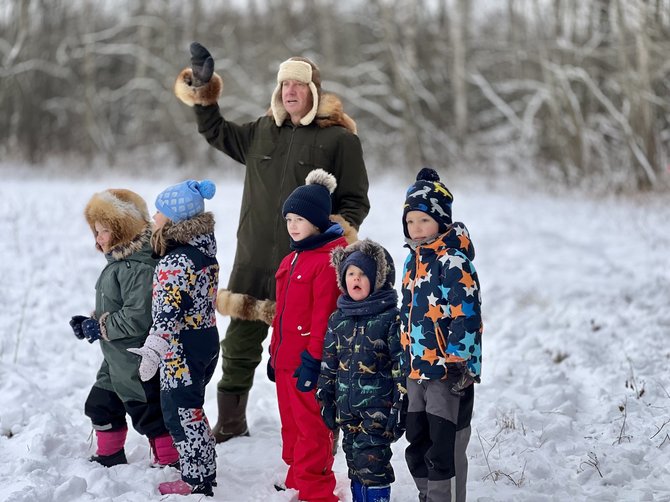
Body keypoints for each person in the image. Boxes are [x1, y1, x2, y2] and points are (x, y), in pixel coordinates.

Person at [173, 43, 370, 442]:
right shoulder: (263, 132)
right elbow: (215, 131)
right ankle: (230, 421)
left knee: (309, 350)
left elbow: (354, 200)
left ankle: (316, 430)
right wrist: (204, 87)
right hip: (254, 258)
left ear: (314, 92)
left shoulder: (339, 141)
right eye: (284, 86)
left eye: (298, 85)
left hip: (307, 267)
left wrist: (330, 239)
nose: (290, 92)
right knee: (239, 346)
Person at [70, 189, 179, 468]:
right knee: (100, 405)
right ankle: (110, 455)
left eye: (104, 231)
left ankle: (169, 462)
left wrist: (101, 326)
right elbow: (117, 307)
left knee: (150, 415)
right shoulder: (121, 263)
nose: (98, 238)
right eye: (96, 231)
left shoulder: (138, 268)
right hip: (115, 358)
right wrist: (90, 323)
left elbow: (137, 317)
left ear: (123, 230)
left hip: (135, 358)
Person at [128, 180, 220, 497]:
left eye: (159, 211)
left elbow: (169, 311)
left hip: (181, 346)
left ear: (172, 219)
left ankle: (196, 480)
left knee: (181, 411)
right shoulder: (203, 251)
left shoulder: (175, 261)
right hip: (206, 338)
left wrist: (154, 350)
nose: (154, 216)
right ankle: (201, 468)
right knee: (191, 408)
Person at [399, 168, 483, 502]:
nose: (416, 228)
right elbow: (406, 314)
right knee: (417, 441)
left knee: (443, 447)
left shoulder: (454, 263)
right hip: (416, 369)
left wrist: (459, 360)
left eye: (423, 220)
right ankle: (428, 496)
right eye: (410, 222)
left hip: (448, 373)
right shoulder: (411, 261)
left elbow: (467, 315)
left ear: (441, 220)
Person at [267, 169, 347, 502]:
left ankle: (316, 492)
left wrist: (314, 360)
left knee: (313, 427)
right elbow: (281, 313)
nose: (293, 226)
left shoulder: (327, 261)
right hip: (285, 361)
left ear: (317, 221)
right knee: (291, 425)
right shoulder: (292, 257)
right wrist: (272, 354)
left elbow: (324, 318)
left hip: (309, 363)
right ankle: (296, 477)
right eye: (288, 219)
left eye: (300, 219)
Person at [316, 238, 405, 502]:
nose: (355, 279)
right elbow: (329, 363)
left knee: (373, 462)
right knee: (354, 460)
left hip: (379, 409)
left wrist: (401, 404)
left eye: (363, 274)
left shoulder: (390, 318)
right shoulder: (338, 319)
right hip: (346, 409)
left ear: (378, 279)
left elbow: (400, 364)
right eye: (350, 273)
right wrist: (325, 397)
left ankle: (377, 498)